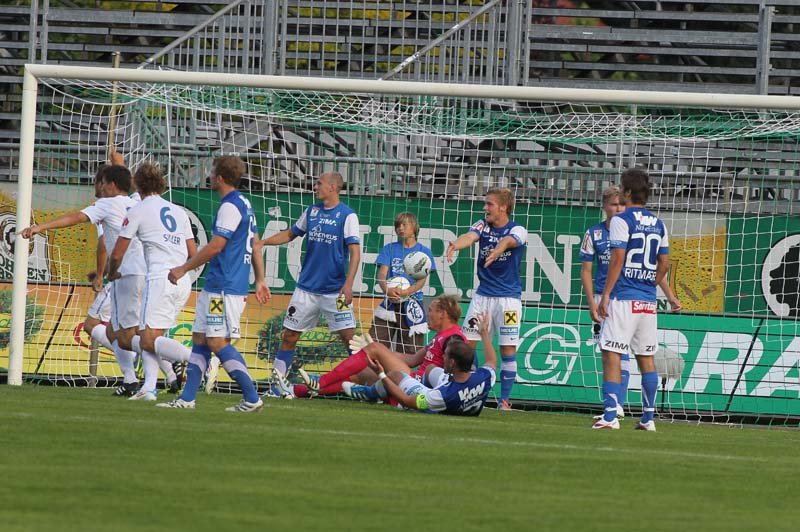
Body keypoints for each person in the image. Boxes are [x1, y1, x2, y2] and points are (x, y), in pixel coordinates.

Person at [21, 160, 157, 397]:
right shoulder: (136, 201)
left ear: (111, 184)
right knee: (122, 331)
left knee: (104, 328)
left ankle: (168, 358)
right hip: (147, 273)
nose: (100, 187)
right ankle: (138, 378)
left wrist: (40, 227)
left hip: (123, 274)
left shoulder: (106, 204)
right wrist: (119, 161)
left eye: (102, 182)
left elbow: (81, 222)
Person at [158, 156, 270, 412]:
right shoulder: (244, 203)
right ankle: (187, 398)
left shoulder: (230, 206)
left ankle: (252, 398)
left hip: (225, 286)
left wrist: (184, 268)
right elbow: (255, 243)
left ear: (220, 178)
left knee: (217, 342)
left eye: (211, 172)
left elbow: (217, 246)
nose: (208, 176)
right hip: (217, 285)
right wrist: (260, 278)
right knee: (200, 338)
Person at [580, 185, 682, 420]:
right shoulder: (594, 234)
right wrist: (592, 302)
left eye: (620, 204)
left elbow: (653, 267)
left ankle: (616, 406)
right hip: (605, 297)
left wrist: (669, 295)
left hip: (623, 297)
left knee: (618, 352)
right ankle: (631, 411)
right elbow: (586, 271)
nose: (617, 208)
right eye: (613, 204)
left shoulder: (630, 227)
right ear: (604, 206)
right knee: (611, 353)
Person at [261, 171, 360, 398]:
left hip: (335, 291)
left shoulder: (347, 216)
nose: (315, 187)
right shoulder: (312, 211)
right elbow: (290, 234)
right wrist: (264, 242)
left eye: (319, 183)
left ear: (333, 187)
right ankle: (276, 387)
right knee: (289, 336)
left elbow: (355, 253)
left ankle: (367, 386)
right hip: (306, 289)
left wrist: (348, 284)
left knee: (351, 341)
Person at [109, 163, 197, 401]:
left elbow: (117, 254)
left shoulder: (138, 210)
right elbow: (193, 252)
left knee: (147, 338)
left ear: (136, 184)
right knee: (149, 336)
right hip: (182, 280)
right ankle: (148, 388)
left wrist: (111, 273)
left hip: (160, 278)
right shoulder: (178, 211)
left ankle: (195, 360)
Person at [596, 168, 670, 431]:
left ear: (627, 192)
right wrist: (649, 283)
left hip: (624, 298)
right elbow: (664, 263)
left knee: (611, 353)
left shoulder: (621, 220)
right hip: (647, 302)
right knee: (645, 358)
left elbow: (618, 258)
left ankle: (610, 416)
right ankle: (648, 419)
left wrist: (606, 294)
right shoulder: (659, 223)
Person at [295, 294, 466, 401]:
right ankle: (299, 390)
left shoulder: (453, 337)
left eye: (431, 310)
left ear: (443, 313)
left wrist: (376, 350)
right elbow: (411, 359)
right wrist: (381, 354)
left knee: (375, 349)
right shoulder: (441, 336)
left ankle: (321, 382)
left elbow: (456, 370)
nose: (428, 314)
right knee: (361, 372)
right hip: (413, 379)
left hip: (419, 387)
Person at [445, 187, 526, 410]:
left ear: (503, 207)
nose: (485, 208)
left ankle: (504, 401)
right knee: (465, 347)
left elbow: (509, 241)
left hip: (508, 301)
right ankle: (469, 392)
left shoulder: (518, 229)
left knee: (507, 350)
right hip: (482, 298)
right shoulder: (482, 225)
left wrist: (498, 250)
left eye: (490, 204)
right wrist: (455, 245)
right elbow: (469, 237)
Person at [362, 312, 496, 416]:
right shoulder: (484, 377)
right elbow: (491, 361)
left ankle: (366, 393)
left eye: (445, 354)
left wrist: (381, 374)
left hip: (436, 402)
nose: (442, 356)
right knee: (430, 368)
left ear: (452, 362)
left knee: (395, 376)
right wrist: (484, 333)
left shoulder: (442, 395)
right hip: (456, 388)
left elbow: (407, 401)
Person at [370, 212, 434, 354]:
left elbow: (422, 280)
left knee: (410, 351)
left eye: (404, 224)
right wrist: (387, 290)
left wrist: (406, 292)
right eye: (397, 225)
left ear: (414, 227)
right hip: (389, 303)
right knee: (375, 345)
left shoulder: (424, 252)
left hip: (413, 305)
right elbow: (382, 274)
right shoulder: (389, 248)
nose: (400, 228)